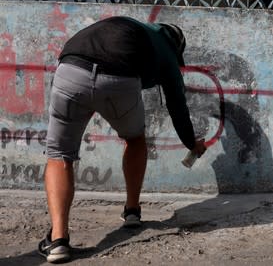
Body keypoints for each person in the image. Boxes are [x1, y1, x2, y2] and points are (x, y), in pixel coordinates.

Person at [38, 16, 207, 263]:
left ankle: (58, 240)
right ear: (176, 45)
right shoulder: (167, 50)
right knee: (135, 139)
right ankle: (132, 211)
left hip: (70, 70)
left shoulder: (128, 26)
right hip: (119, 78)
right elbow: (177, 107)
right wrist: (193, 144)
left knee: (59, 154)